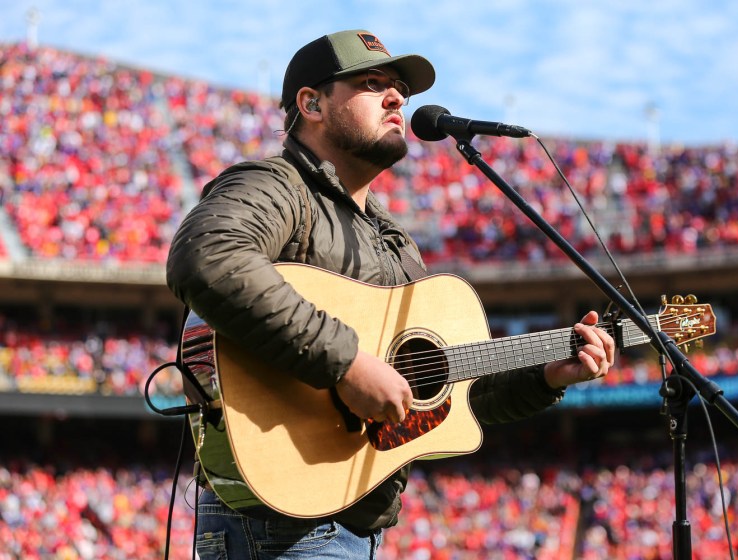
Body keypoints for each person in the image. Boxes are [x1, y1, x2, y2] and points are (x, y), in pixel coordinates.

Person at [166, 29, 614, 560]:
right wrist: (348, 362)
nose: (398, 98)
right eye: (372, 83)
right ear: (311, 103)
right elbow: (209, 256)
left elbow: (444, 395)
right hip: (280, 527)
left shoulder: (396, 244)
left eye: (400, 87)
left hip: (355, 527)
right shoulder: (276, 183)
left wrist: (545, 376)